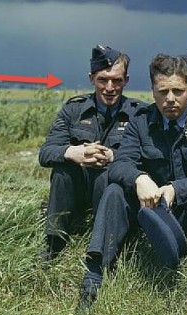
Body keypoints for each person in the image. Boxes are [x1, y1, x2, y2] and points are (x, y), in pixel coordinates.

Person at [76, 54, 187, 315]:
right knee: (114, 190)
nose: (170, 99)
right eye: (163, 92)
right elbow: (121, 163)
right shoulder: (141, 121)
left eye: (178, 91)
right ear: (153, 92)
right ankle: (92, 282)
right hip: (151, 214)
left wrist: (176, 189)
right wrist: (139, 178)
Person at [38, 45, 144, 261]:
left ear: (127, 80)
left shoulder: (139, 112)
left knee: (108, 174)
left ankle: (107, 245)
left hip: (113, 192)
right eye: (103, 80)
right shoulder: (73, 109)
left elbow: (149, 158)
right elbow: (46, 153)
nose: (110, 87)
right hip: (77, 190)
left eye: (117, 80)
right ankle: (54, 242)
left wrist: (113, 157)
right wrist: (73, 152)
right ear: (91, 78)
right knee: (62, 170)